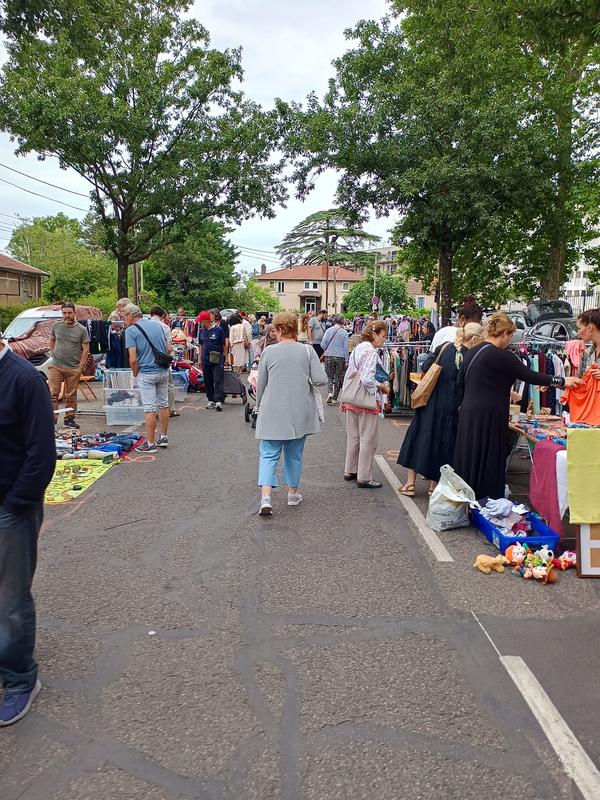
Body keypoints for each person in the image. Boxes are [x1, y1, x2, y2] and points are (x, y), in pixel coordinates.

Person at [453, 312, 582, 500]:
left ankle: (467, 498)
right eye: (510, 336)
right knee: (489, 455)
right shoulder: (501, 356)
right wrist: (562, 380)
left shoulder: (473, 351)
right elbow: (530, 375)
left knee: (470, 454)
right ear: (504, 334)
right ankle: (487, 500)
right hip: (489, 413)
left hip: (468, 410)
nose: (510, 341)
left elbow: (460, 382)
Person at [0, 333, 56, 725]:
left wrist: (16, 504)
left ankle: (20, 679)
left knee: (10, 599)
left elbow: (42, 453)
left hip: (10, 507)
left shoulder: (23, 379)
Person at [397, 322, 484, 497]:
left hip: (431, 402)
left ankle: (410, 484)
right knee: (443, 445)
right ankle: (433, 487)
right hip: (453, 407)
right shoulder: (472, 358)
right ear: (474, 339)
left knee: (419, 438)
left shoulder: (444, 347)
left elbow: (425, 367)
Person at [255, 312, 327, 516]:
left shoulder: (269, 352)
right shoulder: (307, 351)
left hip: (272, 411)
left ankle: (266, 497)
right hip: (299, 411)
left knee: (268, 454)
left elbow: (261, 385)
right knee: (294, 455)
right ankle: (292, 494)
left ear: (278, 330)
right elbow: (321, 379)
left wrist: (259, 406)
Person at [340, 320, 390, 488]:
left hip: (352, 398)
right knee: (368, 439)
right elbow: (368, 379)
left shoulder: (358, 348)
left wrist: (344, 397)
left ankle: (350, 469)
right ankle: (364, 476)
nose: (384, 339)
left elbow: (350, 373)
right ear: (374, 334)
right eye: (383, 336)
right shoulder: (371, 352)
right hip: (366, 400)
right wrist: (381, 386)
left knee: (353, 437)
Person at [124, 303, 171, 452]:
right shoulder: (157, 325)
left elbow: (132, 359)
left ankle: (150, 443)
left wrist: (135, 372)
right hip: (163, 370)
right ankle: (163, 436)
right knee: (163, 404)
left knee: (149, 408)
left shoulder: (130, 331)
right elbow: (167, 348)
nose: (123, 319)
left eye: (124, 316)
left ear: (130, 316)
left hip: (146, 373)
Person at [48, 301, 90, 430]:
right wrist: (52, 353)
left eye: (69, 313)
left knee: (71, 395)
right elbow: (52, 339)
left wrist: (80, 367)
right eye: (64, 313)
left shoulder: (81, 330)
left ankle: (69, 419)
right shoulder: (57, 326)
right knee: (53, 393)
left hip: (73, 367)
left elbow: (86, 349)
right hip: (56, 365)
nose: (67, 315)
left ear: (74, 313)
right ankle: (52, 420)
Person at [150, 306, 180, 418]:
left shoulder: (144, 326)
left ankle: (152, 410)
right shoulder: (165, 327)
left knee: (150, 386)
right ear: (162, 315)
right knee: (168, 384)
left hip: (147, 360)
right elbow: (168, 347)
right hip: (162, 361)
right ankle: (170, 409)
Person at [198, 310, 227, 411]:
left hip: (217, 358)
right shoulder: (201, 331)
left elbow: (224, 344)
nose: (199, 323)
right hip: (206, 359)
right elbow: (201, 346)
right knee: (207, 380)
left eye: (200, 321)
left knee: (218, 379)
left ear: (205, 321)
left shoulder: (219, 330)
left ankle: (218, 401)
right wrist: (199, 359)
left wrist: (226, 358)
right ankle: (210, 400)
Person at [320, 314, 349, 404]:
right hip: (340, 357)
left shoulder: (328, 331)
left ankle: (329, 393)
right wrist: (347, 360)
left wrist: (328, 349)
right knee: (337, 377)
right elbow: (346, 348)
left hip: (329, 356)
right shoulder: (344, 332)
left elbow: (323, 344)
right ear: (342, 321)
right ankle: (335, 398)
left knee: (330, 377)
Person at [576, 308, 600, 378]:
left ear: (589, 328)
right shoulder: (586, 353)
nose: (578, 333)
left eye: (579, 328)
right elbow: (580, 379)